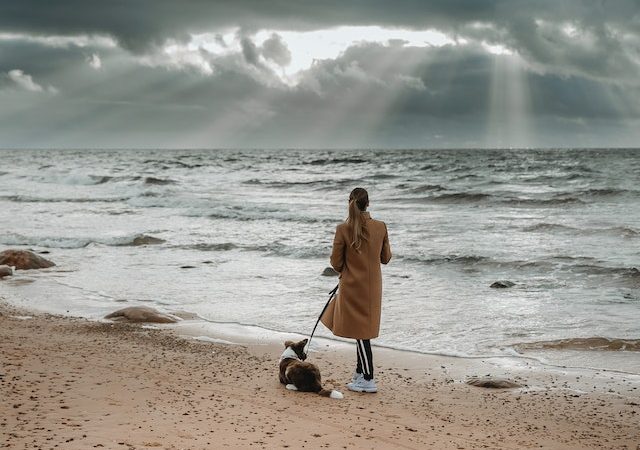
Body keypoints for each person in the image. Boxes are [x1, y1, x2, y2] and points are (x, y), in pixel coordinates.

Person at [320, 187, 392, 393]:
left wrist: (349, 270)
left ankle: (368, 379)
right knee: (363, 333)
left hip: (352, 286)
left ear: (349, 202)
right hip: (373, 288)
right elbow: (385, 258)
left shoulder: (343, 228)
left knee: (361, 335)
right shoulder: (381, 226)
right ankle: (361, 374)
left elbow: (335, 262)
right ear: (368, 203)